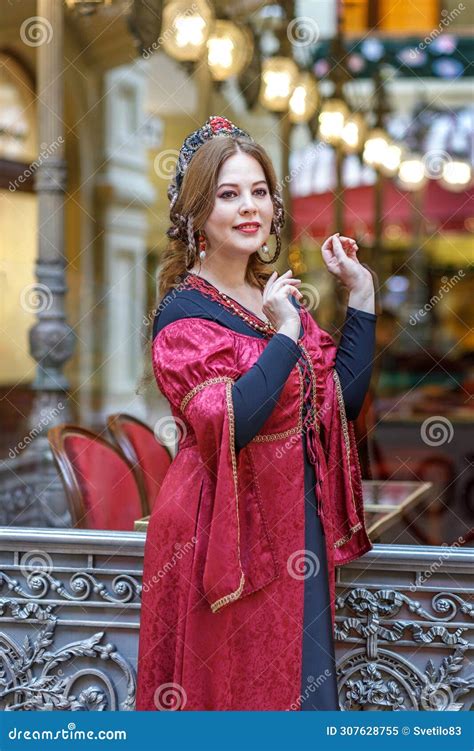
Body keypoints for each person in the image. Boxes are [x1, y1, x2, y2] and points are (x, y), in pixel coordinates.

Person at [136, 116, 377, 711]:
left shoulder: (270, 297)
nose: (250, 207)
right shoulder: (183, 316)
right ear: (195, 215)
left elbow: (337, 400)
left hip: (295, 519)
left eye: (260, 191)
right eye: (228, 193)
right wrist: (287, 335)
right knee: (237, 692)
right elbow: (233, 420)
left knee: (300, 690)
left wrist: (363, 296)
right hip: (223, 527)